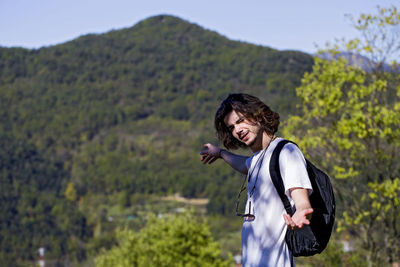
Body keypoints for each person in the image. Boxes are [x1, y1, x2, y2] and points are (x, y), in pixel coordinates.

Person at [200, 93, 313, 267]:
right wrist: (221, 153)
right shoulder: (258, 158)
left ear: (258, 116)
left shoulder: (286, 152)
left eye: (241, 121)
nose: (237, 130)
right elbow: (244, 165)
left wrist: (301, 214)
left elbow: (302, 202)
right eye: (231, 128)